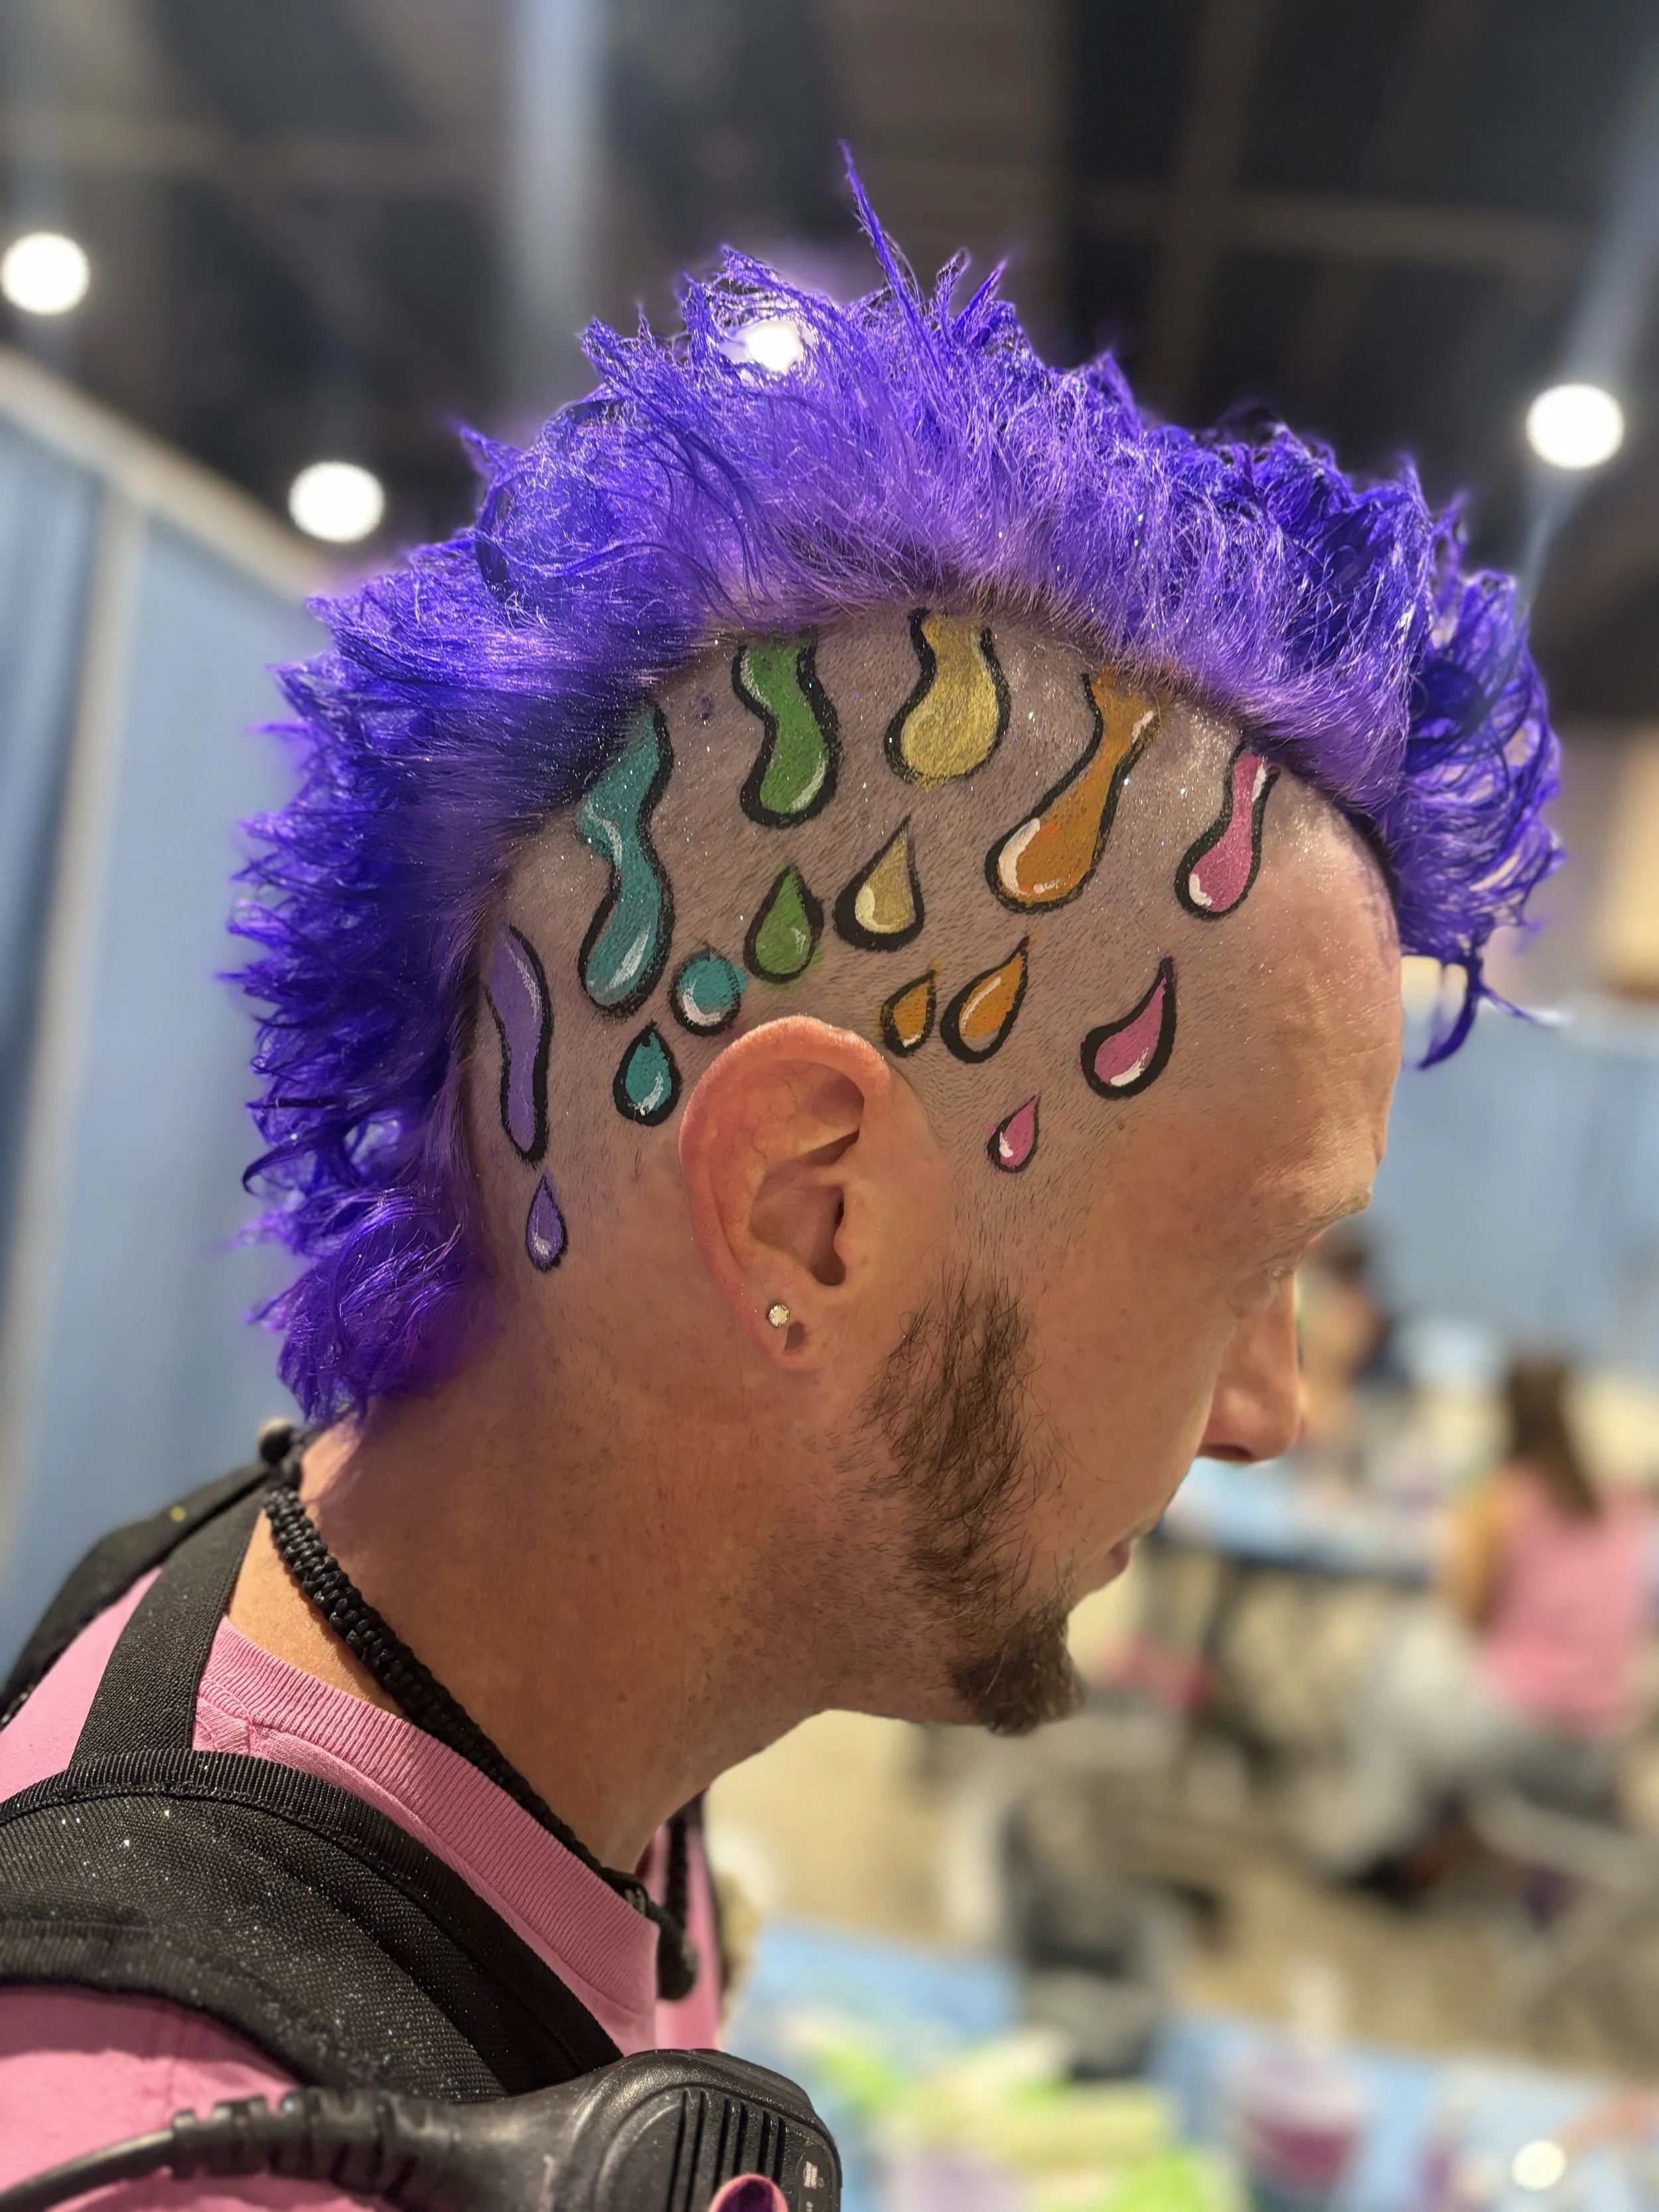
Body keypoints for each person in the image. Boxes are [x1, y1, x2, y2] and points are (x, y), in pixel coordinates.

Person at [0, 180, 1557, 2199]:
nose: (1273, 1408)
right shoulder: (202, 2150)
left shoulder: (498, 1708)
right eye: (1244, 1259)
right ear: (809, 1212)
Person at [1297, 1357, 1649, 1880]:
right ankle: (1410, 1843)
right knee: (1426, 1680)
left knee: (1401, 1655)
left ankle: (1369, 1843)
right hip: (1601, 1748)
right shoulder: (1614, 1501)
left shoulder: (1506, 1498)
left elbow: (1465, 1614)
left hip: (1523, 1736)